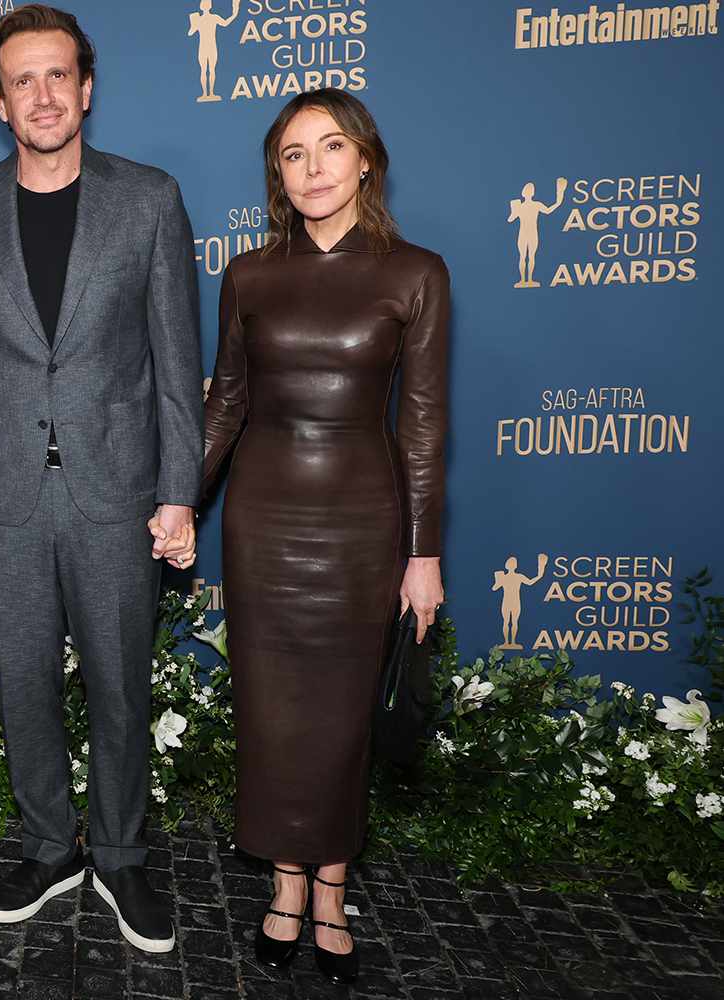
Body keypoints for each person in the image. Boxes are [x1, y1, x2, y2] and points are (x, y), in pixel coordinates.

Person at [0, 3, 201, 955]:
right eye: (22, 79)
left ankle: (117, 852)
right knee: (22, 682)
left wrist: (179, 488)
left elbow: (173, 356)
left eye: (58, 75)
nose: (42, 94)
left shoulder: (149, 200)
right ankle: (47, 845)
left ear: (86, 87)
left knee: (120, 682)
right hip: (4, 495)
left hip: (118, 489)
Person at [201, 88, 449, 984]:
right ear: (279, 172)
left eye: (330, 147)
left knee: (343, 718)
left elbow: (422, 424)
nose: (312, 168)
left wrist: (423, 555)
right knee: (271, 714)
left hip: (361, 525)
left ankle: (333, 891)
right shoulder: (248, 274)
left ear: (365, 160)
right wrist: (178, 503)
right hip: (262, 519)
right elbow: (224, 403)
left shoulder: (415, 272)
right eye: (294, 153)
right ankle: (283, 887)